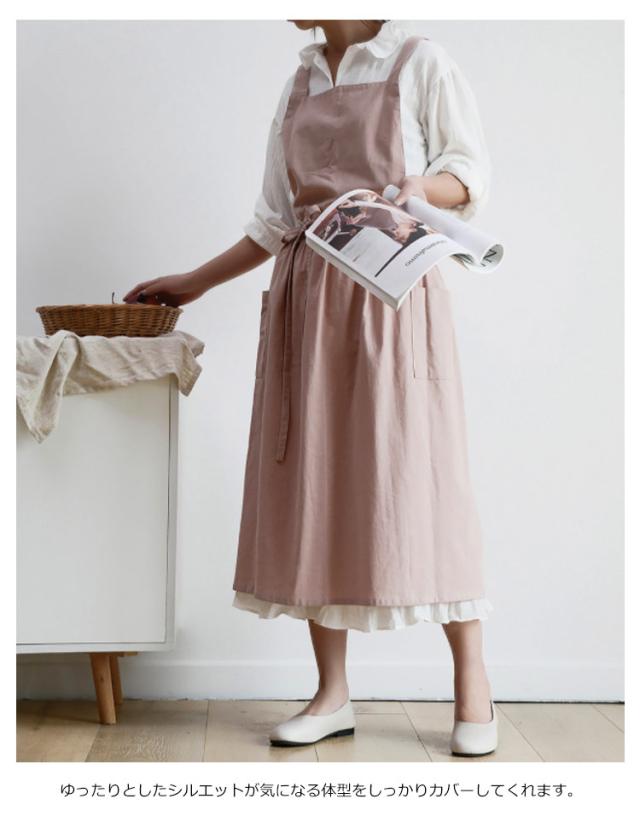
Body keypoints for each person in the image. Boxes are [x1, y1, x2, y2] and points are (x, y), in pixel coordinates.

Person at [123, 20, 497, 757]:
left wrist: (420, 186)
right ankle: (332, 694)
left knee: (422, 478)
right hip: (309, 297)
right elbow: (273, 219)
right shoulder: (300, 81)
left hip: (392, 294)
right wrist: (193, 283)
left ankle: (473, 682)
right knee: (315, 481)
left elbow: (468, 173)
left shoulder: (419, 61)